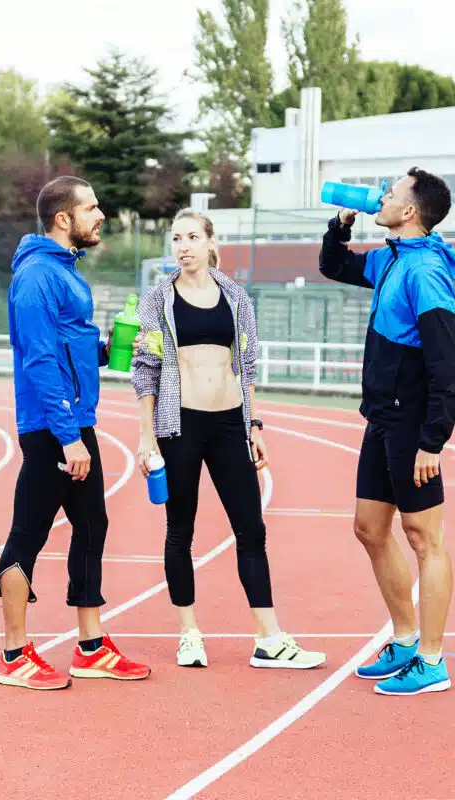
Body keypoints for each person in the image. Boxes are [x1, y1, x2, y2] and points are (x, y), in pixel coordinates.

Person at [129, 208, 326, 671]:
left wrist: (253, 425)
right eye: (176, 238)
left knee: (251, 530)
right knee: (181, 530)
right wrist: (145, 438)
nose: (183, 246)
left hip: (228, 424)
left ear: (210, 241)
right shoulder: (157, 298)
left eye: (192, 237)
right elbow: (145, 369)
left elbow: (248, 365)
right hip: (178, 427)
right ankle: (189, 634)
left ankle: (269, 639)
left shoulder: (236, 297)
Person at [0, 176, 152, 691]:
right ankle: (14, 655)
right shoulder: (37, 276)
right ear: (64, 218)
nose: (100, 215)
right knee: (28, 534)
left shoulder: (64, 271)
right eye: (92, 208)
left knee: (92, 526)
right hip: (51, 428)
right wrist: (67, 437)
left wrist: (107, 350)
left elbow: (67, 344)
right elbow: (38, 359)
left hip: (76, 421)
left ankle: (90, 646)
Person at [318, 167, 455, 696]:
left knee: (425, 538)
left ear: (410, 212)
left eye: (393, 193)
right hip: (381, 416)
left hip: (411, 422)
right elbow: (335, 265)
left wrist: (433, 440)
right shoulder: (392, 258)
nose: (382, 196)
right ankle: (404, 640)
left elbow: (447, 365)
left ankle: (432, 660)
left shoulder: (425, 272)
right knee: (369, 529)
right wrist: (341, 224)